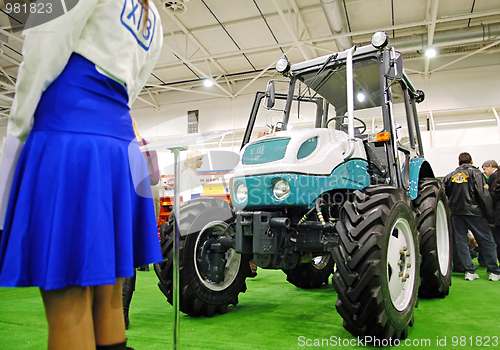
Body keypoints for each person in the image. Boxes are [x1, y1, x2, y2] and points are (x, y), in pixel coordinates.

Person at [0, 1, 163, 349]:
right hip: (116, 142)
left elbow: (40, 53)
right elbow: (132, 87)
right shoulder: (154, 17)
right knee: (108, 295)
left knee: (67, 296)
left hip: (68, 136)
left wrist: (16, 136)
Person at [122, 118, 161, 330]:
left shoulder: (109, 143)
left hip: (111, 198)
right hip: (138, 198)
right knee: (129, 253)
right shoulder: (145, 146)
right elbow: (154, 178)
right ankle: (122, 314)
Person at [443, 152, 500, 281]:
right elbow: (484, 196)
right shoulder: (477, 174)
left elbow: (444, 196)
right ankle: (494, 271)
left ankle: (469, 271)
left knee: (461, 243)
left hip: (456, 214)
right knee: (487, 241)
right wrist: (490, 217)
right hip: (475, 213)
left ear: (459, 162)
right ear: (471, 161)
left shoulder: (449, 176)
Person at [482, 160, 500, 263]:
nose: (484, 172)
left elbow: (492, 195)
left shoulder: (494, 177)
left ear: (491, 166)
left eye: (485, 169)